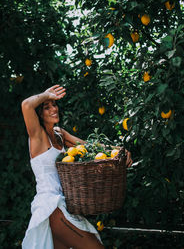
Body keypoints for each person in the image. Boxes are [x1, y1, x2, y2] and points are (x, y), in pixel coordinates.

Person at [21, 85, 105, 249]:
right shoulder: (37, 136)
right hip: (51, 208)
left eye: (54, 104)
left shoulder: (60, 134)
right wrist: (45, 94)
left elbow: (92, 148)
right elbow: (26, 105)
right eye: (47, 107)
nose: (53, 109)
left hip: (65, 206)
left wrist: (119, 152)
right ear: (39, 114)